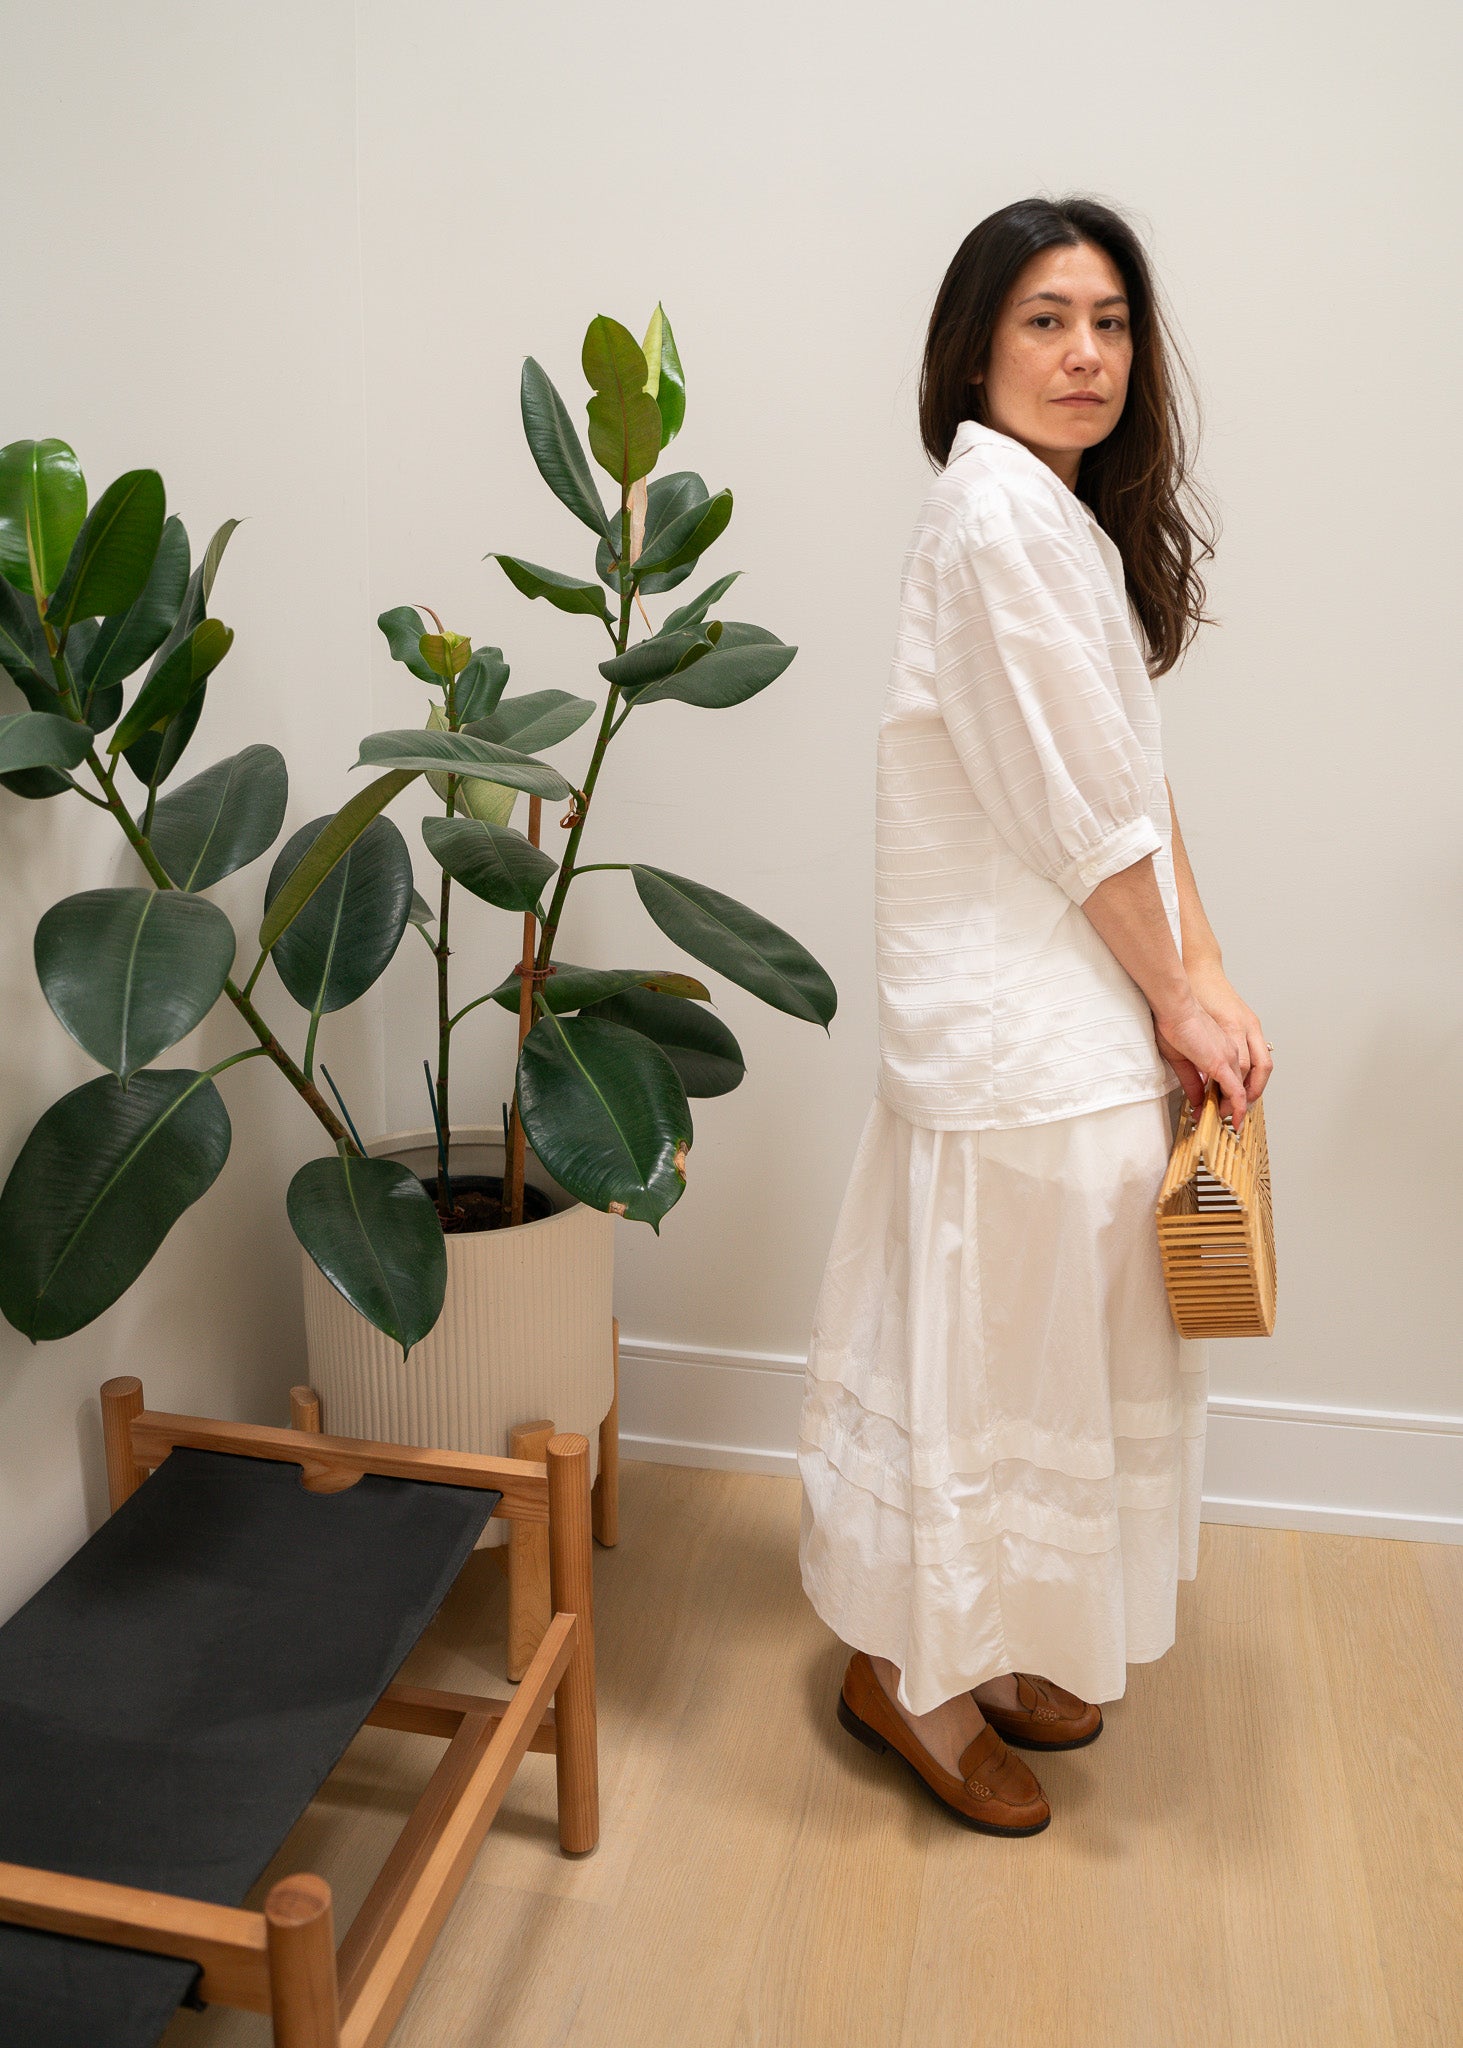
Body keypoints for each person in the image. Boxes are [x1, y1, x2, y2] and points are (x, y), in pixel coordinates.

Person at [798, 195, 1274, 1838]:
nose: (1087, 355)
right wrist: (1176, 993)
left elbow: (1136, 786)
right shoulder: (995, 515)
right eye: (1046, 322)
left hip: (1069, 997)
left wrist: (1202, 980)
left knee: (1040, 1348)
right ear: (977, 350)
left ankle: (983, 1647)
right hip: (1014, 1024)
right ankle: (909, 1679)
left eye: (1111, 324)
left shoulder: (1051, 517)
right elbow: (1084, 815)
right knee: (993, 1348)